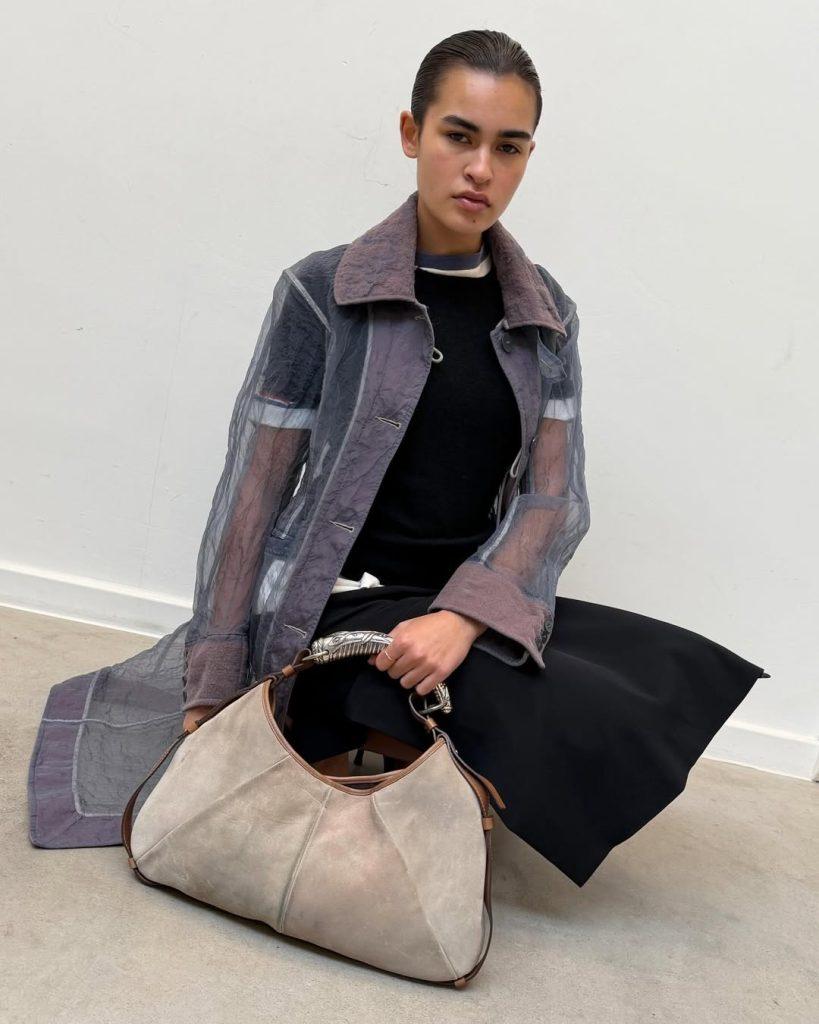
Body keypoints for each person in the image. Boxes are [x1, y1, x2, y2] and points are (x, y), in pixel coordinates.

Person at [28, 29, 768, 888]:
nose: (480, 169)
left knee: (661, 669)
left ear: (528, 157)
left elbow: (553, 498)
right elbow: (251, 497)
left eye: (508, 147)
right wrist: (214, 687)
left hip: (451, 608)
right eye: (459, 135)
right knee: (559, 708)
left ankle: (414, 737)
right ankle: (388, 736)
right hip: (340, 609)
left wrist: (463, 616)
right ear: (412, 133)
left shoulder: (546, 313)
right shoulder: (323, 291)